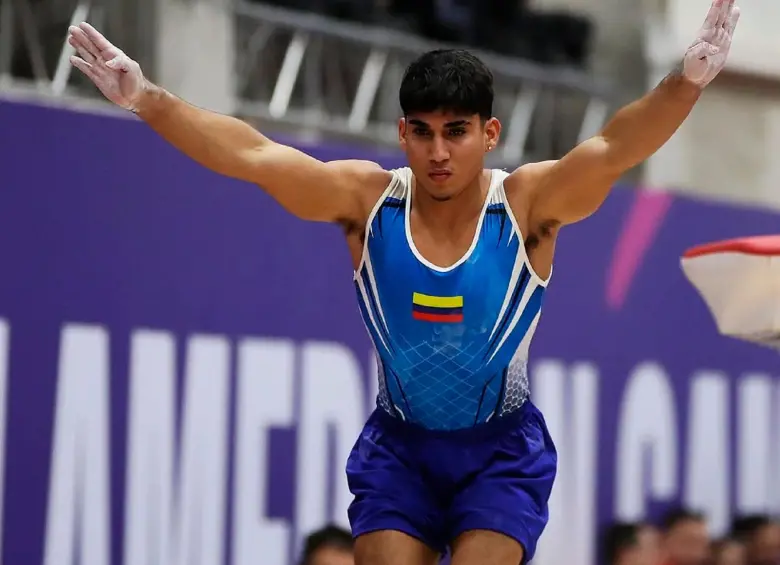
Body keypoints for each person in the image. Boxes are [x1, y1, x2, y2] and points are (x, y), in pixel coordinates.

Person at [66, 0, 740, 563]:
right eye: (422, 132)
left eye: (456, 132)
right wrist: (147, 99)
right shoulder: (367, 204)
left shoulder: (527, 206)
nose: (438, 152)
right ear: (402, 133)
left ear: (490, 132)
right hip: (399, 451)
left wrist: (686, 82)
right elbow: (253, 155)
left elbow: (615, 148)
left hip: (501, 453)